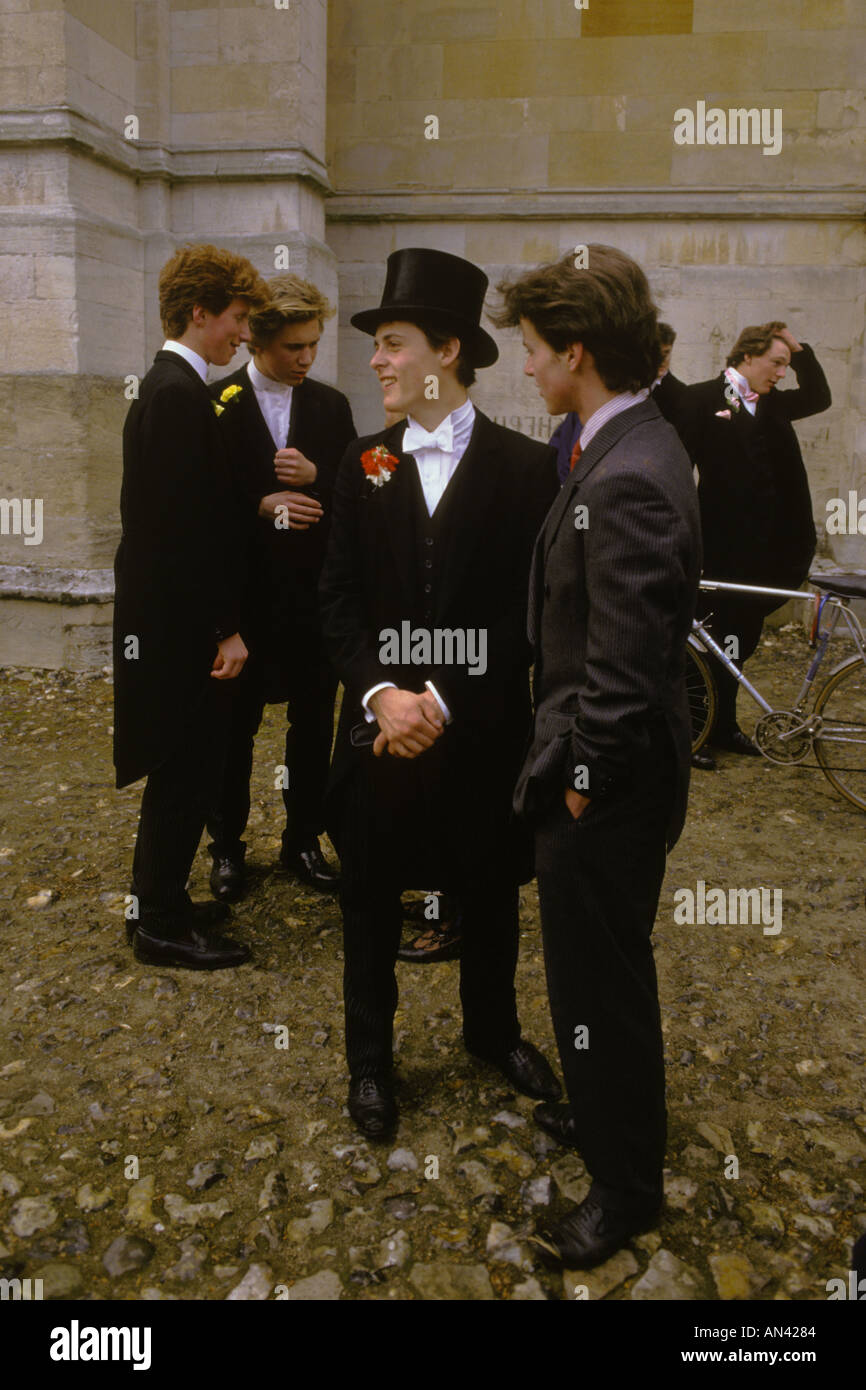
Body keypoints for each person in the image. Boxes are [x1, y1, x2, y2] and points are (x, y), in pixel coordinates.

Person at [319, 247, 561, 1138]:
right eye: (378, 345)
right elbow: (338, 603)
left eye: (392, 342)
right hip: (380, 733)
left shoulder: (527, 470)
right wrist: (384, 695)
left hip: (482, 728)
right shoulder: (363, 464)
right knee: (370, 894)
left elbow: (524, 616)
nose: (379, 361)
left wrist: (445, 701)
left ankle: (492, 1033)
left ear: (447, 352)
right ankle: (371, 1061)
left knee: (492, 887)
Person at [497, 245, 701, 1267]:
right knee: (591, 977)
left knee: (600, 985)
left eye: (532, 352)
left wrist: (577, 789)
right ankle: (606, 1115)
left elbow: (621, 670)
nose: (524, 369)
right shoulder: (618, 439)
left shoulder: (628, 474)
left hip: (605, 783)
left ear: (575, 351)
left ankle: (624, 1188)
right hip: (601, 771)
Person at [113, 243, 268, 970]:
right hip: (184, 631)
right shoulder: (177, 394)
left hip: (171, 625)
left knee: (182, 769)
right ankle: (161, 926)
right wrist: (225, 630)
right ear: (200, 311)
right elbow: (183, 535)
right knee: (186, 770)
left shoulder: (174, 387)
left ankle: (155, 901)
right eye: (237, 319)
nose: (244, 335)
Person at [206, 275, 356, 899]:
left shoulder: (330, 405)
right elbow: (196, 509)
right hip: (243, 604)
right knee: (231, 730)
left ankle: (303, 840)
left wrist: (321, 474)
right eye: (294, 347)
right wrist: (258, 506)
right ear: (258, 340)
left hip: (313, 604)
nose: (306, 358)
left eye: (313, 345)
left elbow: (365, 488)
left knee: (313, 724)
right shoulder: (215, 403)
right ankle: (226, 848)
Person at [676, 322, 830, 763]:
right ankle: (691, 734)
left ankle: (723, 727)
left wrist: (799, 352)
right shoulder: (701, 399)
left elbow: (820, 397)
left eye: (786, 364)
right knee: (702, 644)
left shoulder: (774, 404)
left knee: (739, 642)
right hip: (718, 550)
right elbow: (678, 471)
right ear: (747, 356)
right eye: (777, 363)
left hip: (764, 554)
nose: (782, 373)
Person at [651, 321, 689, 422]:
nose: (662, 359)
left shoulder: (681, 393)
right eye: (657, 353)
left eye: (666, 352)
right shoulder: (633, 386)